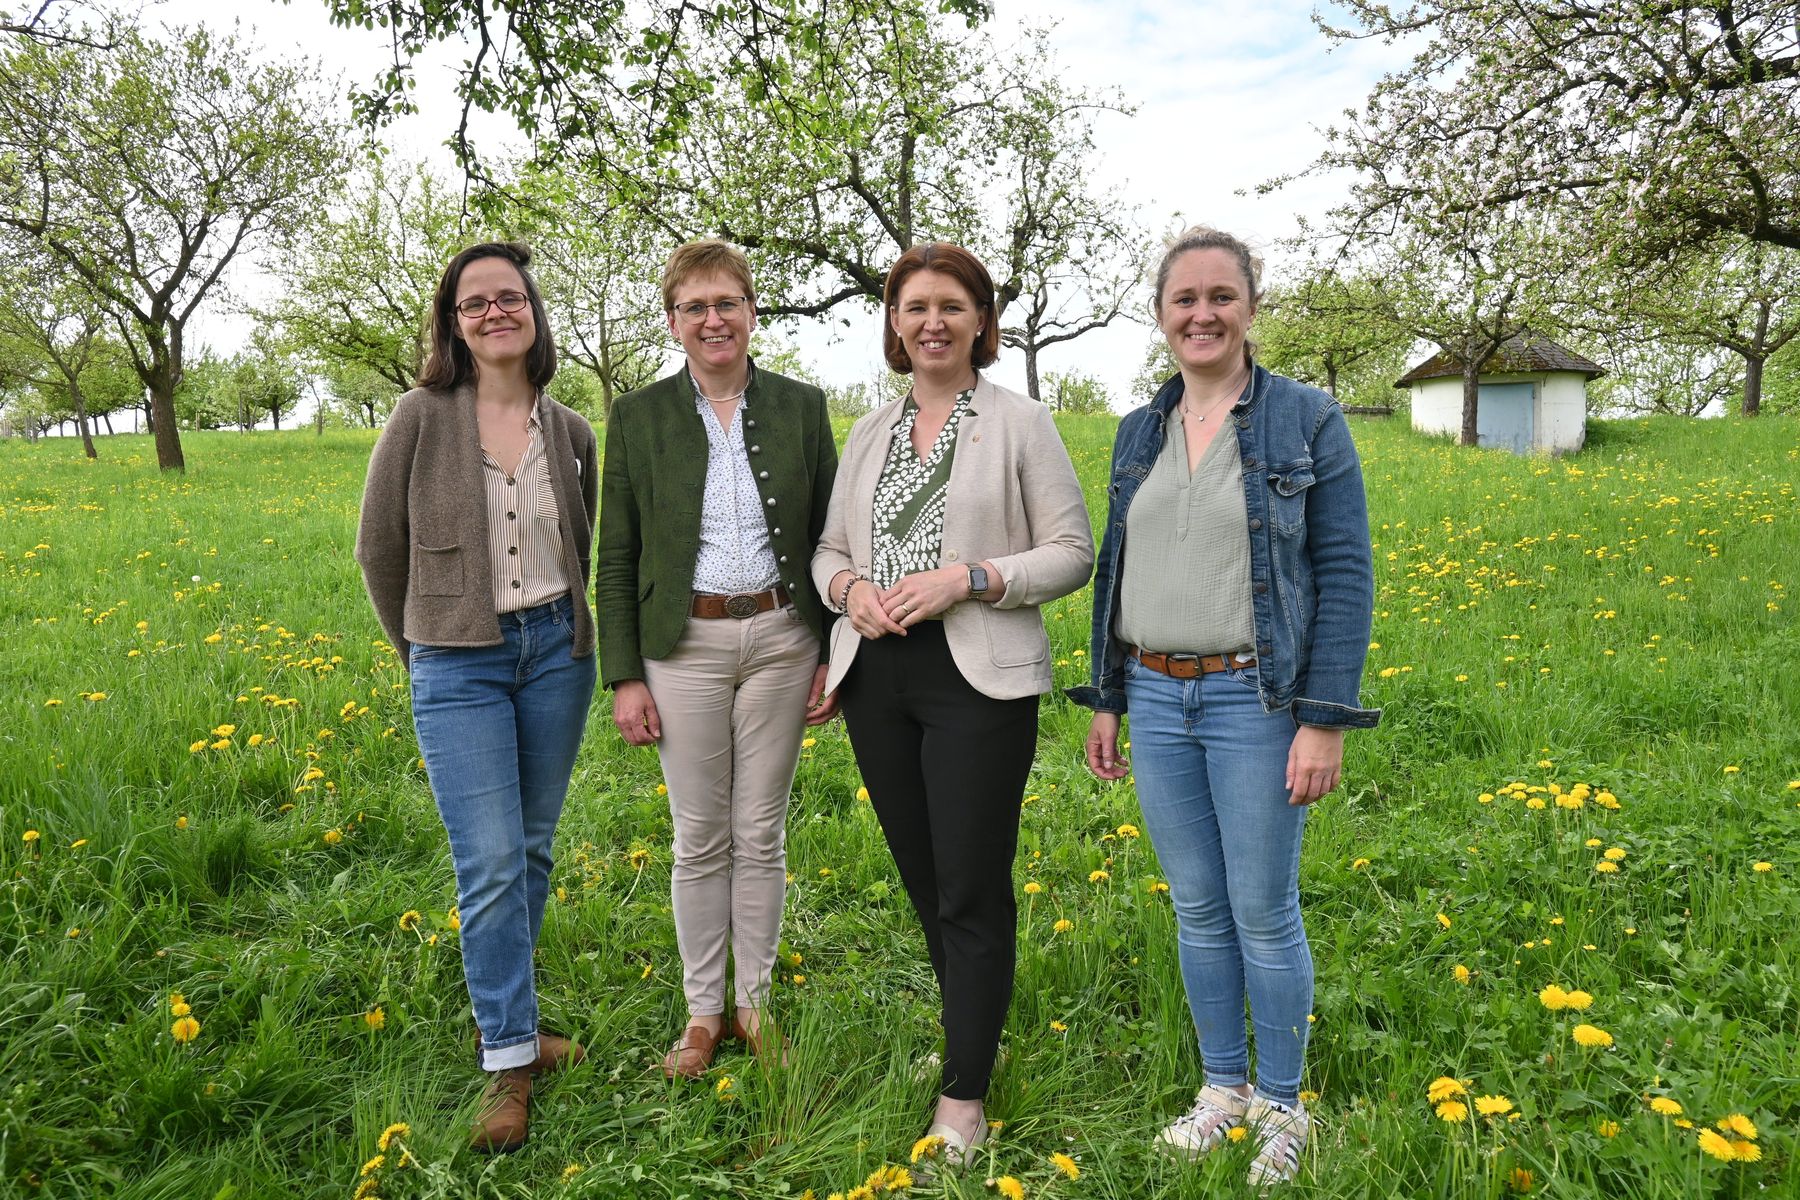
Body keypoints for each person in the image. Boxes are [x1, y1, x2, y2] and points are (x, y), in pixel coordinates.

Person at [1070, 225, 1380, 1186]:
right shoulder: (1138, 430)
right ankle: (1223, 1092)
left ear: (1250, 307)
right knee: (1197, 908)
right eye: (1183, 300)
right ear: (1160, 315)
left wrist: (1323, 716)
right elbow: (1118, 571)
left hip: (1258, 699)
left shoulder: (1305, 419)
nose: (1201, 315)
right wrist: (1110, 698)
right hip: (1157, 695)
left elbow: (1343, 570)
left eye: (1220, 297)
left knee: (1262, 908)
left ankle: (1285, 1108)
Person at [813, 242, 1093, 1168]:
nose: (931, 321)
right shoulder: (867, 433)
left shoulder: (1021, 423)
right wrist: (848, 590)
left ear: (981, 321)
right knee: (926, 881)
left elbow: (1069, 551)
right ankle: (976, 1029)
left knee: (972, 883)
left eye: (951, 306)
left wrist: (969, 577)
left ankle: (964, 1092)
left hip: (977, 676)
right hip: (876, 678)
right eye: (913, 306)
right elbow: (826, 552)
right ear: (893, 322)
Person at [355, 241, 598, 1154]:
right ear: (453, 324)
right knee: (490, 859)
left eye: (510, 298)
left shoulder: (570, 430)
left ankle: (515, 1017)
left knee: (530, 853)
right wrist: (422, 647)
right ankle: (508, 1061)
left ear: (533, 310)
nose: (495, 313)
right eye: (474, 304)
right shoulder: (420, 417)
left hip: (555, 657)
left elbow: (582, 546)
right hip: (457, 664)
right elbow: (379, 550)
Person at [594, 239, 838, 1081]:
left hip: (783, 642)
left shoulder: (804, 409)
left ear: (751, 311)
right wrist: (625, 673)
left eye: (726, 302)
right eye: (694, 307)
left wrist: (831, 654)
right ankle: (703, 1015)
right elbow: (616, 555)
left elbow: (830, 542)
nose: (712, 319)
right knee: (699, 836)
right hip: (682, 648)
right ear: (672, 322)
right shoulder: (637, 417)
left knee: (760, 832)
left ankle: (755, 1006)